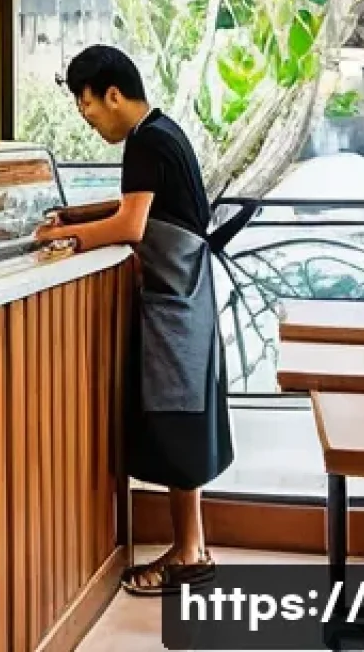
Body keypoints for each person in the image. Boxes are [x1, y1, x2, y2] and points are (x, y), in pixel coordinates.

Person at [36, 44, 233, 595]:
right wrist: (76, 215)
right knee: (184, 414)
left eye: (89, 107)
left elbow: (131, 225)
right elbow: (137, 207)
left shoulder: (145, 141)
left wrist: (65, 238)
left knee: (178, 418)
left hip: (177, 301)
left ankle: (189, 552)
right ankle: (191, 545)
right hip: (185, 294)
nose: (90, 119)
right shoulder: (162, 131)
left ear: (113, 94)